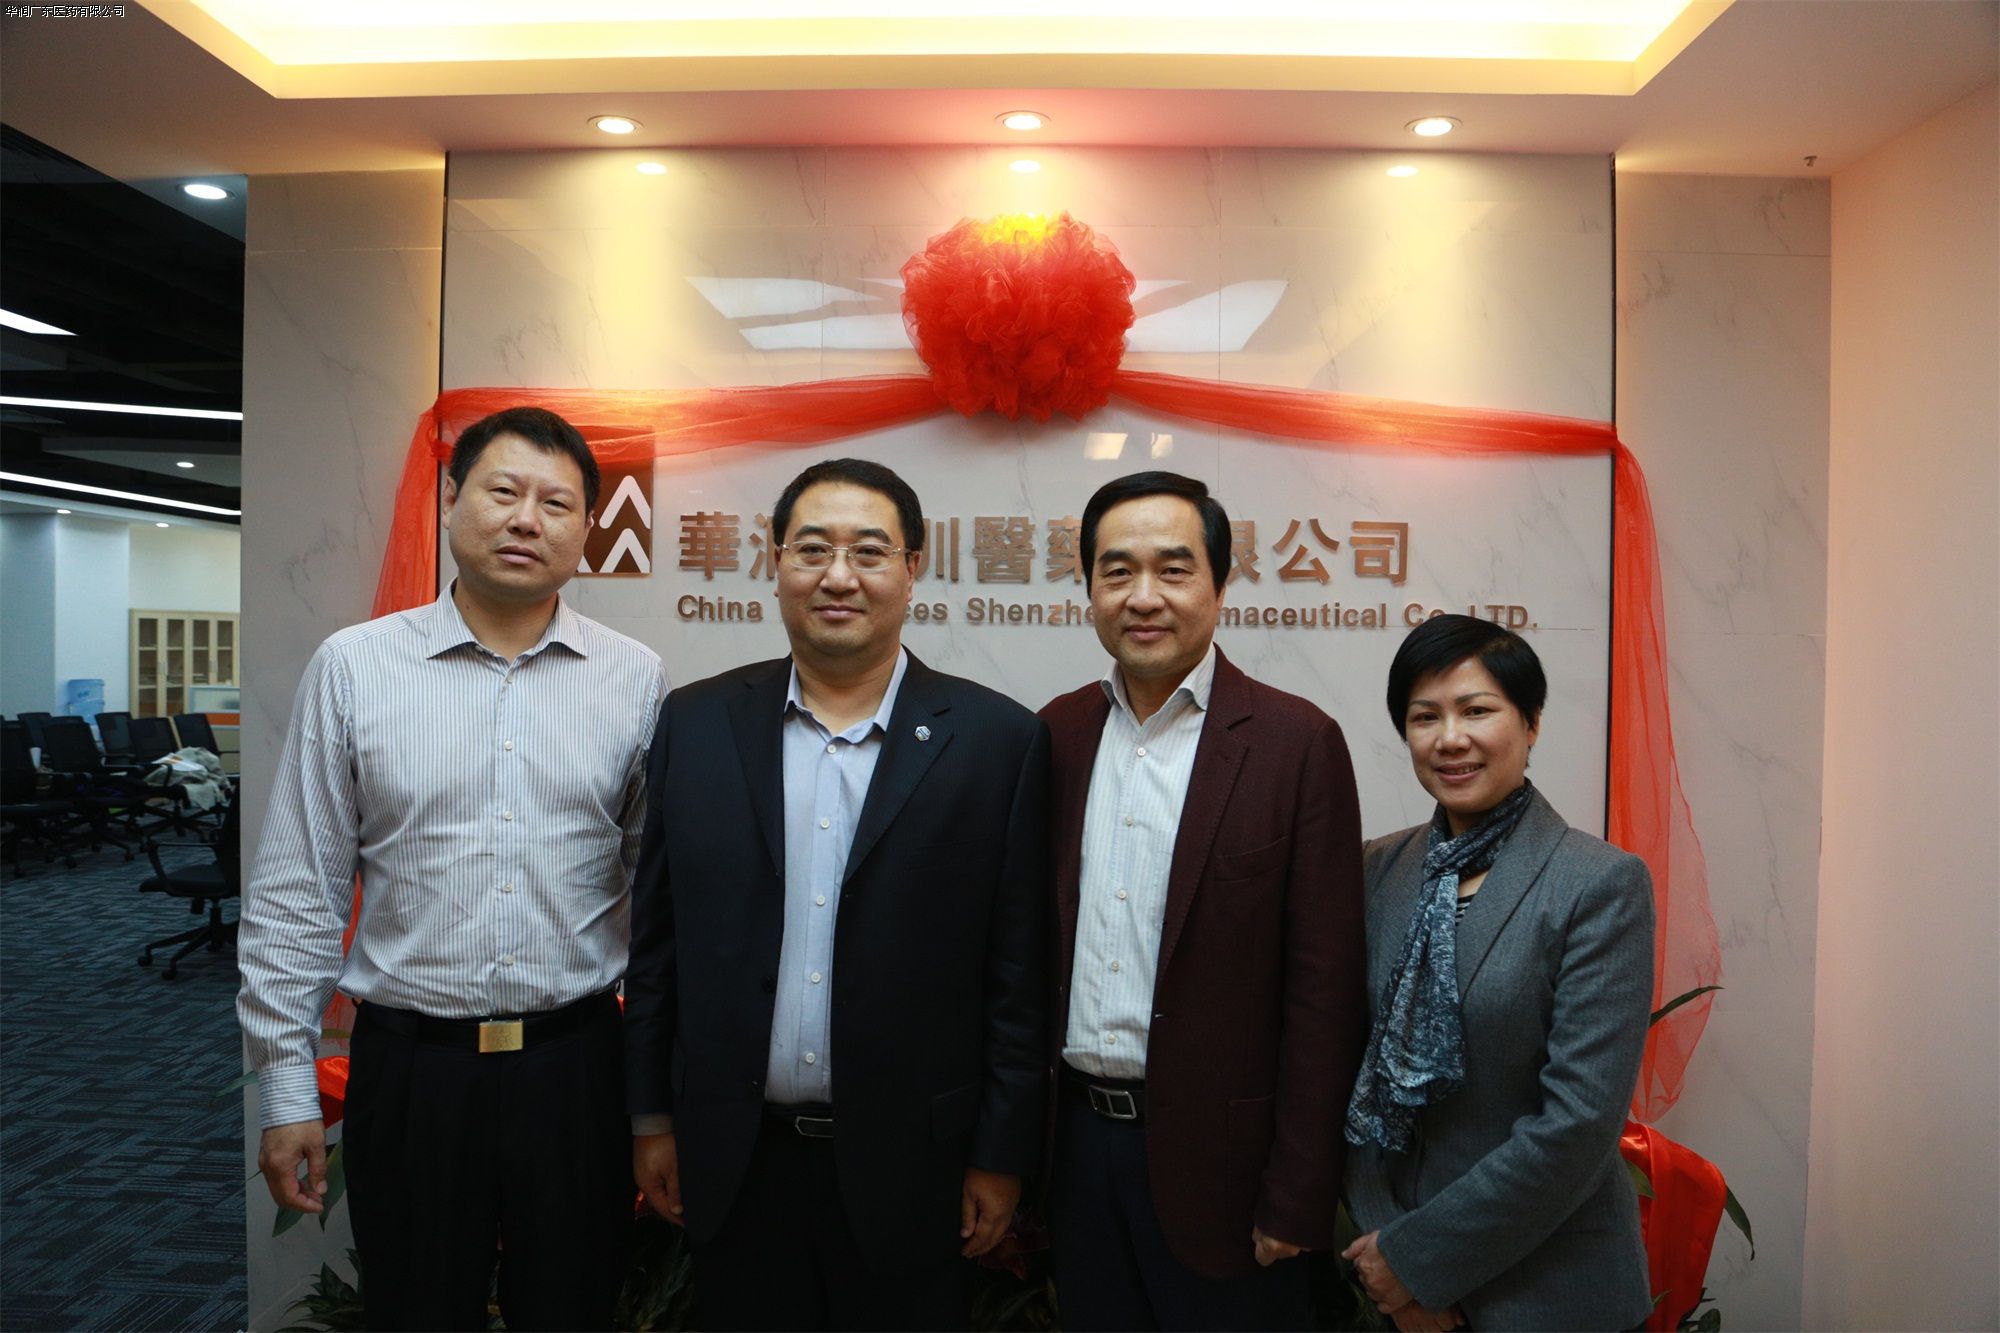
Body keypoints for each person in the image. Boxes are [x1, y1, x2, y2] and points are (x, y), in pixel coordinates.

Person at [237, 406, 666, 1329]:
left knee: (576, 1309)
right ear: (449, 498)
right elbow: (298, 894)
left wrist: (656, 1102)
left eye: (557, 503)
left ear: (587, 528)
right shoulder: (355, 668)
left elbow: (660, 897)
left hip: (576, 1070)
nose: (526, 519)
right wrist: (286, 1088)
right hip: (414, 1072)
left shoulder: (635, 679)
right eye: (503, 491)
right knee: (416, 1310)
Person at [623, 457, 1049, 1330]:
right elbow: (657, 942)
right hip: (735, 1159)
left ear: (913, 567)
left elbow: (1018, 977)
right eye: (812, 549)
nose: (839, 576)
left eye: (869, 551)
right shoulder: (696, 724)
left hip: (916, 1170)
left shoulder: (998, 741)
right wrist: (651, 1117)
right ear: (775, 561)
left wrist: (1001, 1154)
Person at [1039, 471, 1367, 1331]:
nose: (1143, 596)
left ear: (1220, 584)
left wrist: (1299, 1193)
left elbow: (1325, 993)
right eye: (1117, 570)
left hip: (1231, 1171)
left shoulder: (1296, 744)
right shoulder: (1055, 734)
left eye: (1174, 568)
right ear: (1088, 588)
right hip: (1076, 1155)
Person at [1341, 613, 1655, 1332]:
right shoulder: (1377, 869)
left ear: (1532, 721)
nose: (1450, 738)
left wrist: (1419, 1261)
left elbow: (1579, 1123)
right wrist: (1387, 1259)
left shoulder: (1598, 883)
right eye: (1425, 716)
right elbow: (1349, 1073)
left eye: (1477, 710)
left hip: (1550, 1292)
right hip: (1395, 1289)